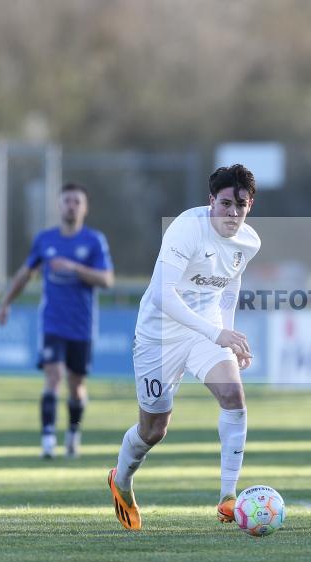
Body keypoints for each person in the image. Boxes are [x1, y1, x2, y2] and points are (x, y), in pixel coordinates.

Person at [108, 164, 260, 531]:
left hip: (203, 331)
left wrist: (229, 334)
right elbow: (162, 294)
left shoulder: (249, 242)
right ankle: (121, 480)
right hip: (158, 335)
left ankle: (228, 498)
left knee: (233, 397)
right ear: (211, 201)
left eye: (240, 204)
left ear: (250, 204)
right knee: (154, 429)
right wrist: (216, 333)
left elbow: (230, 287)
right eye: (225, 203)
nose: (232, 212)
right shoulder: (186, 229)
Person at [0, 182, 114, 459]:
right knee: (53, 376)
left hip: (82, 326)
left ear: (84, 208)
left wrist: (74, 267)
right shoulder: (45, 240)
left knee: (76, 386)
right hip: (52, 323)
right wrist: (5, 303)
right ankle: (48, 440)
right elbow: (25, 274)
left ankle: (73, 433)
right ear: (59, 206)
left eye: (77, 201)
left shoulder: (94, 241)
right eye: (67, 201)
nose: (71, 206)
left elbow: (107, 280)